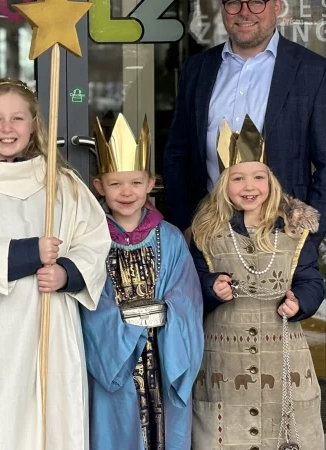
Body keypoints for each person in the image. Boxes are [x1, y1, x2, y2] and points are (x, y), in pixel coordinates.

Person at [0, 78, 112, 449]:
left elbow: (95, 241)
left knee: (54, 412)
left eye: (18, 118)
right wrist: (30, 253)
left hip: (51, 314)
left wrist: (66, 273)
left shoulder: (62, 184)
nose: (7, 128)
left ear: (34, 124)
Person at [162, 0, 326, 249]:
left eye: (257, 2)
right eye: (234, 3)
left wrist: (304, 243)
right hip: (207, 234)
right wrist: (185, 227)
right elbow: (177, 153)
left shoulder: (313, 71)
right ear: (223, 9)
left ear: (277, 7)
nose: (245, 12)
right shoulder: (197, 68)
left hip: (282, 236)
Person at [190, 116, 324, 449]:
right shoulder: (205, 232)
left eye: (258, 177)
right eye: (238, 178)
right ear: (223, 184)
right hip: (224, 356)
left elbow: (310, 279)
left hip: (283, 353)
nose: (249, 187)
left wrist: (301, 302)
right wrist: (210, 287)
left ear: (271, 181)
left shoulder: (293, 230)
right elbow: (191, 282)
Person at [80, 115, 204, 450]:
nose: (126, 192)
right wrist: (125, 326)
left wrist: (164, 315)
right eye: (115, 184)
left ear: (150, 184)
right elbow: (90, 299)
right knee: (116, 426)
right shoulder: (91, 238)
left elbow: (187, 297)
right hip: (115, 359)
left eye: (135, 182)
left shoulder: (170, 237)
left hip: (163, 354)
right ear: (99, 186)